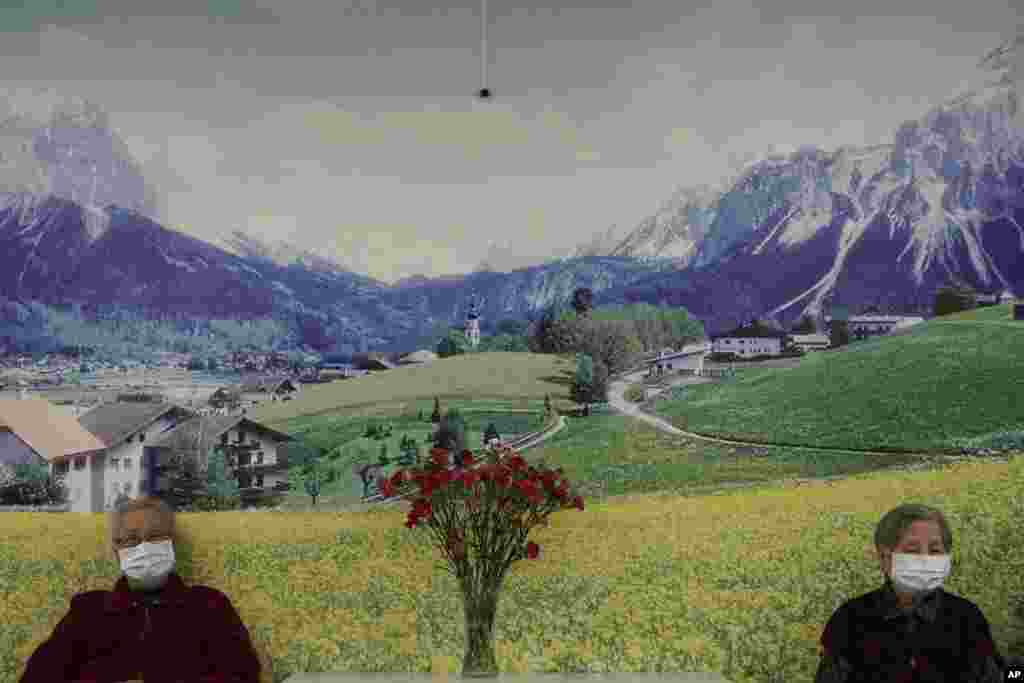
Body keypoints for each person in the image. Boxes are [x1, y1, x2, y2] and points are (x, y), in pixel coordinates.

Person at [19, 495, 261, 683]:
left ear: (172, 543)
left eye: (155, 536)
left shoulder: (209, 605)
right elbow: (38, 677)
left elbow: (243, 674)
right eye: (132, 539)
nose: (144, 547)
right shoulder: (87, 610)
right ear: (117, 550)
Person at [813, 503, 1006, 682]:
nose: (925, 559)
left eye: (935, 550)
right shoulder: (849, 619)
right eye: (912, 550)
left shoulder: (967, 617)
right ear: (885, 558)